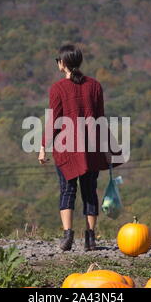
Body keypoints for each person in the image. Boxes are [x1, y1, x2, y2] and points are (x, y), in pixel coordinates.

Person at [38, 44, 120, 251]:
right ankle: (90, 239)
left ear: (62, 64)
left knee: (67, 191)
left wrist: (43, 147)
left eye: (58, 60)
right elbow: (101, 119)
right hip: (91, 149)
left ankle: (67, 237)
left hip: (65, 149)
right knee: (90, 192)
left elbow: (54, 121)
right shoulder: (95, 86)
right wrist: (108, 148)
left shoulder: (57, 88)